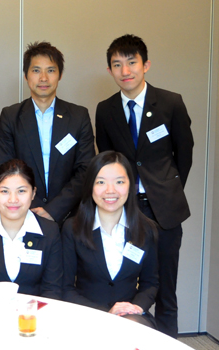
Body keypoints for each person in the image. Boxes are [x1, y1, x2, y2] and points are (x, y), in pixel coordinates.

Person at [95, 34, 194, 337]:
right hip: (126, 211)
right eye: (117, 64)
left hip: (164, 211)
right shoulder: (106, 109)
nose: (125, 71)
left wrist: (165, 190)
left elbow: (184, 154)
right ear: (110, 70)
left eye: (132, 62)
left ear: (146, 64)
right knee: (126, 287)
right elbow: (109, 161)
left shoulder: (170, 103)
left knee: (165, 289)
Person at [0, 42, 95, 223]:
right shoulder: (10, 116)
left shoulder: (78, 116)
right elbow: (5, 169)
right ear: (26, 76)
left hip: (70, 217)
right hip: (24, 215)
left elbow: (86, 170)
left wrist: (54, 210)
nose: (43, 78)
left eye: (50, 70)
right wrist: (30, 207)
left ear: (60, 75)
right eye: (36, 71)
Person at [62, 151, 158, 328]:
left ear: (131, 185)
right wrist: (106, 313)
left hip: (131, 316)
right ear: (90, 186)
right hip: (87, 315)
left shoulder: (146, 229)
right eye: (101, 182)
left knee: (130, 329)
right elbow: (66, 289)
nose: (110, 190)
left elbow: (150, 283)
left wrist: (136, 307)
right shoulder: (72, 228)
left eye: (119, 182)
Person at [0, 159, 62, 299]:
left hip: (33, 318)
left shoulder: (50, 232)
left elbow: (52, 290)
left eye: (21, 191)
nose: (13, 200)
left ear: (33, 193)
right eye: (4, 191)